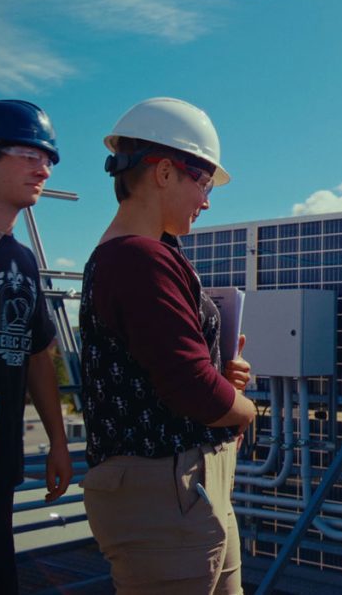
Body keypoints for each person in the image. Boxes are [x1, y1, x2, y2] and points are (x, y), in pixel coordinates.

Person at [79, 97, 256, 595]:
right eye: (202, 181)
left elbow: (174, 372)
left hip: (186, 491)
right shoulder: (138, 259)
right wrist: (244, 410)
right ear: (162, 173)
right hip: (165, 496)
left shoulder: (146, 255)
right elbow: (189, 387)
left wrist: (223, 380)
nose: (206, 200)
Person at [0, 99, 73, 594]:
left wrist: (58, 441)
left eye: (49, 158)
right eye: (28, 153)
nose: (42, 167)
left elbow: (39, 352)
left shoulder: (21, 259)